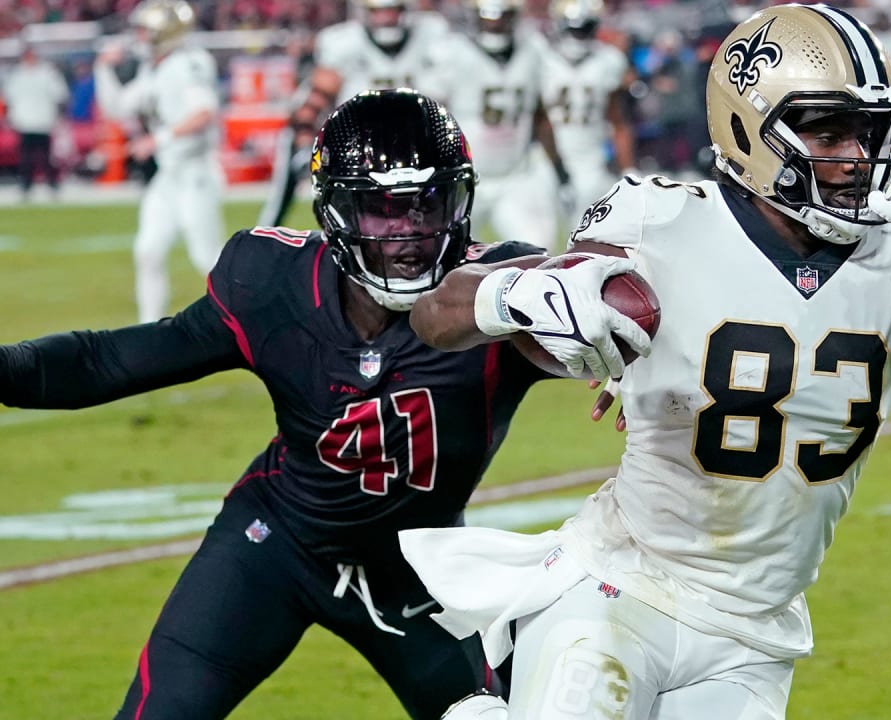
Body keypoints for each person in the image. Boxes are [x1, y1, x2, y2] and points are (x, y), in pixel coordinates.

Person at [398, 5, 891, 718]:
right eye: (827, 129)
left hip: (753, 630)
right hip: (622, 582)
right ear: (749, 127)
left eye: (870, 129)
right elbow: (438, 314)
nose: (856, 156)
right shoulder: (661, 220)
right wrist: (527, 299)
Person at [0, 88, 648, 720]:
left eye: (429, 203)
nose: (411, 232)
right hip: (274, 546)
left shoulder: (502, 299)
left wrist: (645, 369)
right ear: (335, 212)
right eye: (383, 210)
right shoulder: (269, 283)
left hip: (418, 570)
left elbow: (628, 305)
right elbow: (107, 360)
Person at [257, 0, 449, 228]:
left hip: (399, 141)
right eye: (378, 12)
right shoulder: (344, 43)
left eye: (392, 11)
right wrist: (304, 145)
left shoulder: (430, 36)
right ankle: (264, 233)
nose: (386, 19)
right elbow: (316, 100)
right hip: (350, 140)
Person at [93, 0, 225, 324]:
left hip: (195, 173)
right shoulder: (155, 67)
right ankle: (148, 330)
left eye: (144, 30)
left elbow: (204, 112)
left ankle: (248, 327)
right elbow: (119, 107)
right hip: (169, 176)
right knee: (148, 251)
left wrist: (158, 139)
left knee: (209, 259)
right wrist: (102, 69)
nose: (138, 36)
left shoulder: (188, 63)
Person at [427, 0, 575, 251]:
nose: (495, 25)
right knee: (440, 253)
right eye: (488, 17)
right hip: (464, 177)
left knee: (537, 252)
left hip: (515, 176)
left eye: (502, 17)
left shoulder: (533, 51)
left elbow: (540, 116)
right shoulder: (452, 52)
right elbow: (431, 116)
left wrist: (559, 168)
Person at [539, 0, 636, 222]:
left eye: (585, 28)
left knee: (586, 235)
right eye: (574, 29)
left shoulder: (609, 60)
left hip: (591, 159)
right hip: (543, 159)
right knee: (537, 235)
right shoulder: (539, 58)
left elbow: (617, 120)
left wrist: (628, 168)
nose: (579, 35)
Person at [2, 43, 69, 200]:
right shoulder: (17, 75)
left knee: (46, 156)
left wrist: (59, 116)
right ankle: (26, 186)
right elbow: (8, 98)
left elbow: (60, 95)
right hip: (24, 121)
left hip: (44, 120)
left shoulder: (47, 73)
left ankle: (52, 185)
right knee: (26, 156)